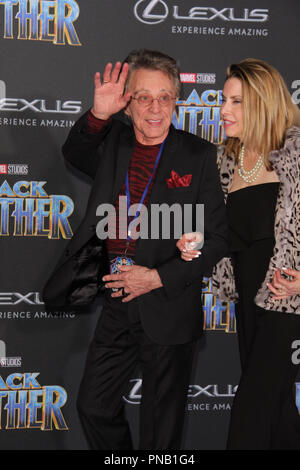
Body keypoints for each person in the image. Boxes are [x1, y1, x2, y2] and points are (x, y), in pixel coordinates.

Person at [43, 49, 228, 450]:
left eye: (164, 97)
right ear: (129, 103)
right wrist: (98, 115)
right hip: (117, 302)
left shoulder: (198, 156)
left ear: (176, 101)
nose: (155, 107)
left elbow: (217, 239)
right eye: (143, 96)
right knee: (93, 406)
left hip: (168, 306)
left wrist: (157, 276)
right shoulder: (113, 143)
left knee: (161, 433)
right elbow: (75, 153)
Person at [177, 58, 300, 450]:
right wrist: (190, 238)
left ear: (263, 103)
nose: (224, 111)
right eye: (224, 100)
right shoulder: (224, 162)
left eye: (237, 102)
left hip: (286, 300)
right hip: (247, 299)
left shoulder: (296, 154)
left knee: (252, 403)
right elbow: (215, 231)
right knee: (277, 408)